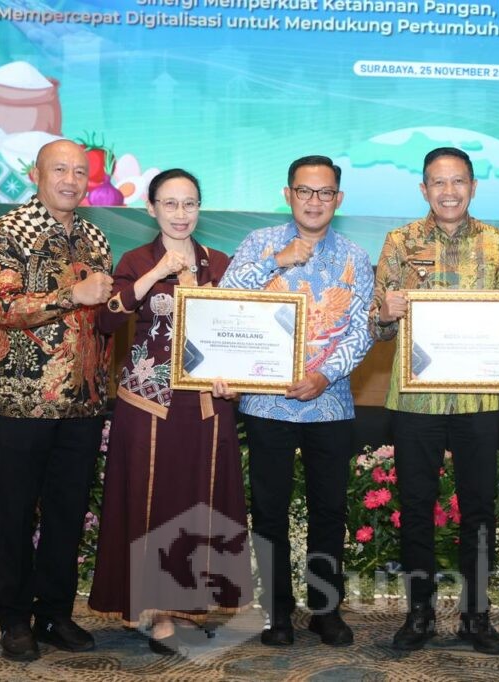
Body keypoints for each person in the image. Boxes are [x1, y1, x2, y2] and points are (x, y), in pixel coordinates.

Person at [370, 146, 499, 656]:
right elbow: (379, 331)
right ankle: (419, 613)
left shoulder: (498, 242)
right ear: (424, 189)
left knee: (480, 509)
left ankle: (476, 614)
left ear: (473, 186)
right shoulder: (399, 241)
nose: (449, 191)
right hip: (415, 401)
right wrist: (386, 310)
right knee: (417, 507)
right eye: (438, 183)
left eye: (458, 181)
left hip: (478, 398)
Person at [87, 169, 253, 654]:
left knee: (197, 501)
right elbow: (106, 319)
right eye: (171, 204)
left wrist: (235, 373)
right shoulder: (136, 259)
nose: (181, 214)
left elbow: (239, 326)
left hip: (206, 402)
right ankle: (153, 611)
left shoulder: (218, 262)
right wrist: (156, 276)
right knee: (148, 501)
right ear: (151, 208)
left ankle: (191, 601)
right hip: (148, 402)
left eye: (190, 204)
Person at [220, 155, 373, 647]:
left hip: (329, 403)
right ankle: (276, 611)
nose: (314, 201)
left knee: (330, 510)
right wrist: (278, 261)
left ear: (338, 199)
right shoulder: (260, 243)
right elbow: (225, 297)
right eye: (305, 191)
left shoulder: (354, 255)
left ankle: (326, 610)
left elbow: (362, 332)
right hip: (267, 404)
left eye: (324, 192)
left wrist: (324, 374)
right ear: (287, 194)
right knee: (269, 512)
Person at [0, 139, 114, 661]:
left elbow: (102, 314)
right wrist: (69, 295)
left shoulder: (95, 237)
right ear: (37, 173)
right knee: (16, 511)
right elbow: (4, 307)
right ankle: (13, 618)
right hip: (24, 401)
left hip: (82, 401)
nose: (71, 180)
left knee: (67, 510)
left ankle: (55, 612)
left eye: (80, 172)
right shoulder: (8, 231)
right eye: (60, 169)